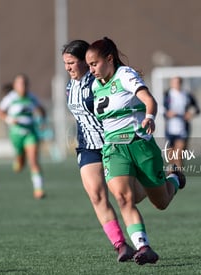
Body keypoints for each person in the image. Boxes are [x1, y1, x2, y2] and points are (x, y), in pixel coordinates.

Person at [85, 37, 186, 265]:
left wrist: (149, 118)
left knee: (160, 202)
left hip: (140, 145)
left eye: (94, 64)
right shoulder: (94, 85)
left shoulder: (125, 75)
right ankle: (144, 247)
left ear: (109, 59)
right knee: (122, 198)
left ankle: (175, 179)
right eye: (89, 65)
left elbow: (149, 100)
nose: (90, 70)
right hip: (114, 149)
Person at [62, 40, 147, 262]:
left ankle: (158, 181)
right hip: (87, 147)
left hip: (114, 145)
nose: (68, 68)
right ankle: (121, 245)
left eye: (71, 63)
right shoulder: (70, 85)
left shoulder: (99, 81)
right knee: (96, 195)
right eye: (65, 63)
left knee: (133, 197)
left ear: (86, 62)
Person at [0, 74, 46, 199]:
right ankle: (19, 158)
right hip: (16, 133)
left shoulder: (32, 98)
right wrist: (9, 120)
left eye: (24, 83)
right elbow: (0, 112)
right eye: (19, 84)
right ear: (15, 86)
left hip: (30, 132)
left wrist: (41, 120)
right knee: (20, 163)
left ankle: (38, 189)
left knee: (34, 160)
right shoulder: (10, 98)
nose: (22, 86)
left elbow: (41, 110)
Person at [164, 76, 201, 169]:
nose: (176, 84)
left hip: (182, 129)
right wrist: (167, 113)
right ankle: (171, 176)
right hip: (170, 129)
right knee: (170, 157)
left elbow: (197, 109)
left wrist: (190, 114)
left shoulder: (187, 95)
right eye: (174, 82)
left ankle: (179, 177)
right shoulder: (167, 94)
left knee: (179, 155)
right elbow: (161, 109)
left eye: (178, 82)